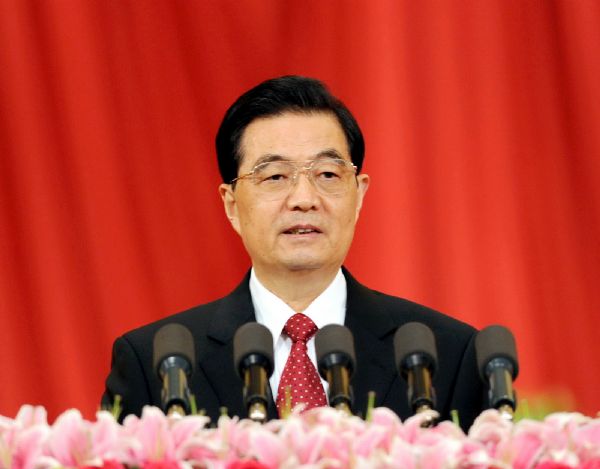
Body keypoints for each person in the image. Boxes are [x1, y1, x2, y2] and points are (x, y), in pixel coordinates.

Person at [102, 75, 485, 431]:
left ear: (359, 195)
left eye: (328, 175)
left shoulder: (447, 354)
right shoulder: (153, 364)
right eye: (275, 177)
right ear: (231, 204)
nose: (304, 199)